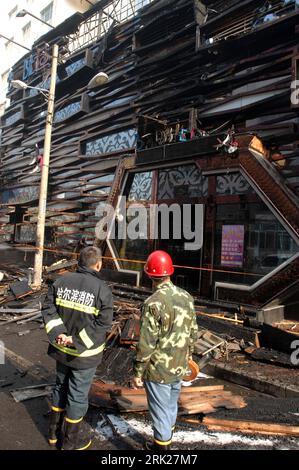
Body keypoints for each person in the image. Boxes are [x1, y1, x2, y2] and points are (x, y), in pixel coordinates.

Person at [42, 246, 113, 450]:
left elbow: (48, 308)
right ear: (98, 264)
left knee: (60, 387)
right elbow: (102, 324)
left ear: (78, 262)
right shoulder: (102, 290)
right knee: (77, 396)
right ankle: (71, 443)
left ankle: (54, 435)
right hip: (84, 356)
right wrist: (76, 340)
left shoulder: (61, 281)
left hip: (61, 350)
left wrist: (60, 335)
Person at [133, 250, 198, 450]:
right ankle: (166, 436)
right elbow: (193, 331)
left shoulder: (152, 303)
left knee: (160, 410)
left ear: (150, 275)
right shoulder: (186, 297)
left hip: (158, 369)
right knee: (170, 405)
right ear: (169, 272)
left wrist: (137, 371)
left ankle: (162, 449)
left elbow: (146, 343)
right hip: (179, 363)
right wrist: (189, 355)